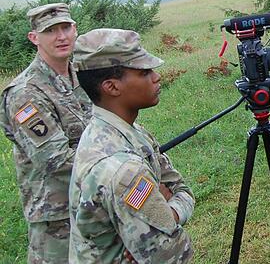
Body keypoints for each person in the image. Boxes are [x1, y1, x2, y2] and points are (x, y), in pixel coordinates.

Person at [68, 29, 194, 263]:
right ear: (112, 87)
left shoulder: (126, 132)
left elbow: (181, 190)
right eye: (145, 72)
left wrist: (169, 214)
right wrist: (165, 213)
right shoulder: (122, 169)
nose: (156, 77)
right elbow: (173, 253)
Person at [0, 3, 92, 263]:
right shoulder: (25, 93)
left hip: (93, 201)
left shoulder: (81, 75)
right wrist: (117, 168)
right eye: (50, 30)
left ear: (75, 30)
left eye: (65, 27)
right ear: (34, 38)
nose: (61, 37)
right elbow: (56, 161)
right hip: (57, 217)